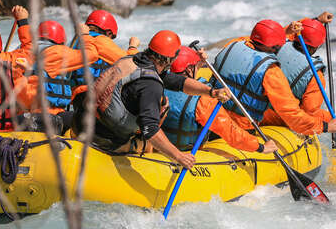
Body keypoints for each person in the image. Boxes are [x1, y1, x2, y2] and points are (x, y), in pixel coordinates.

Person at [72, 30, 229, 170]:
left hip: (80, 125)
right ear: (169, 59)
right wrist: (179, 156)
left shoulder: (132, 60)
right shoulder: (150, 86)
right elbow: (150, 130)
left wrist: (211, 92)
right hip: (104, 141)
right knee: (160, 114)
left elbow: (177, 81)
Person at [213, 19, 336, 137]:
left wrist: (314, 20)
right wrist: (326, 127)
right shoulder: (271, 72)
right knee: (326, 117)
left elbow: (260, 37)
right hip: (243, 124)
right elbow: (295, 115)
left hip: (213, 114)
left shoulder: (233, 44)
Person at [161, 46, 278, 153]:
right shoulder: (202, 100)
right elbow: (231, 133)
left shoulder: (156, 84)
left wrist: (199, 62)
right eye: (196, 66)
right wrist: (261, 147)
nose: (199, 67)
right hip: (186, 151)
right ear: (189, 70)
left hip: (160, 148)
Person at [26, 20, 99, 133]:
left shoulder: (23, 50)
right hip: (51, 114)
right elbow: (92, 55)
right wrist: (85, 35)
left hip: (28, 114)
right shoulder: (58, 52)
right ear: (60, 39)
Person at [261, 18, 334, 128]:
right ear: (316, 47)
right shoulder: (315, 74)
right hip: (274, 119)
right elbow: (310, 112)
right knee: (329, 118)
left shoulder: (276, 44)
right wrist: (330, 119)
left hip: (251, 107)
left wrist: (318, 19)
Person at [70, 9, 140, 87]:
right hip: (90, 94)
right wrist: (133, 46)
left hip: (74, 92)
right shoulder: (99, 39)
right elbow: (131, 63)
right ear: (108, 32)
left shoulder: (76, 40)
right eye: (111, 37)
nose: (110, 41)